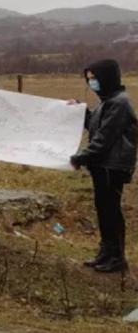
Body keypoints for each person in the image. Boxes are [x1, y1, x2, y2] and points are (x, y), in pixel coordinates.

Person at [70, 59, 137, 273]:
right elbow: (95, 127)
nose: (92, 83)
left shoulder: (119, 103)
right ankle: (106, 252)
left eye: (95, 79)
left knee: (111, 210)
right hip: (102, 165)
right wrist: (82, 112)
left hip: (113, 165)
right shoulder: (107, 101)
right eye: (89, 79)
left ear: (107, 77)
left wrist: (80, 157)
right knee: (103, 209)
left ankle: (117, 257)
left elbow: (104, 139)